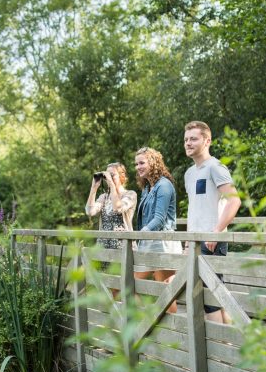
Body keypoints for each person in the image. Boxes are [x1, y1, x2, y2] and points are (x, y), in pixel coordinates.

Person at [183, 121, 242, 324]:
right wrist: (188, 240)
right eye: (186, 139)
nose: (188, 143)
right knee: (210, 298)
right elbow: (196, 208)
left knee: (211, 299)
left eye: (193, 139)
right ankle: (228, 344)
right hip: (195, 240)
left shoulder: (216, 167)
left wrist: (216, 232)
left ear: (207, 140)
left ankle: (220, 349)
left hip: (212, 240)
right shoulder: (189, 173)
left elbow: (234, 200)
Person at [133, 147, 181, 313]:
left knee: (165, 291)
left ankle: (171, 331)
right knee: (132, 285)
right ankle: (147, 325)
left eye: (142, 163)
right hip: (148, 241)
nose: (138, 167)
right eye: (136, 164)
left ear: (152, 163)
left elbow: (159, 219)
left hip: (163, 242)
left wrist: (139, 234)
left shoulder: (164, 186)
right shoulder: (147, 188)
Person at [85, 163, 137, 285]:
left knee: (124, 287)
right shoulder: (104, 197)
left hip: (122, 247)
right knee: (108, 287)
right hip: (104, 247)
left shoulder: (130, 194)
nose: (108, 178)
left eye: (112, 175)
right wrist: (94, 188)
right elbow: (90, 211)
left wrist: (113, 187)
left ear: (122, 176)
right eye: (107, 175)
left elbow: (117, 208)